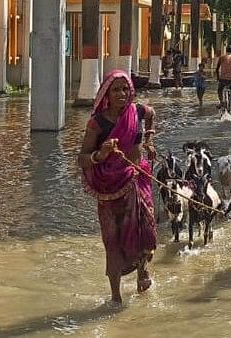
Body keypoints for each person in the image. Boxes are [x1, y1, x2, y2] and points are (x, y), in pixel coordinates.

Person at [78, 70, 158, 304]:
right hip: (110, 187)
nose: (122, 94)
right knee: (112, 242)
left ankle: (143, 273)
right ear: (107, 94)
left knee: (146, 230)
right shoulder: (98, 123)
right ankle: (115, 298)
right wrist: (100, 155)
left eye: (126, 89)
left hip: (137, 178)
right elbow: (81, 158)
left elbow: (152, 114)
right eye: (116, 90)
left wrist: (149, 140)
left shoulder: (137, 111)